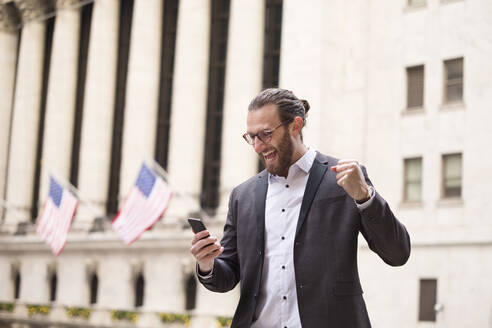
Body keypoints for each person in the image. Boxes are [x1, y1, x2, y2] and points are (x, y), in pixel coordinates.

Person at [190, 88, 411, 328]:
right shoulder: (243, 195)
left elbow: (397, 253)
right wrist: (207, 263)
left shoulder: (345, 178)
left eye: (265, 134)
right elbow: (228, 275)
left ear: (295, 126)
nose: (257, 146)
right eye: (251, 137)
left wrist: (365, 198)